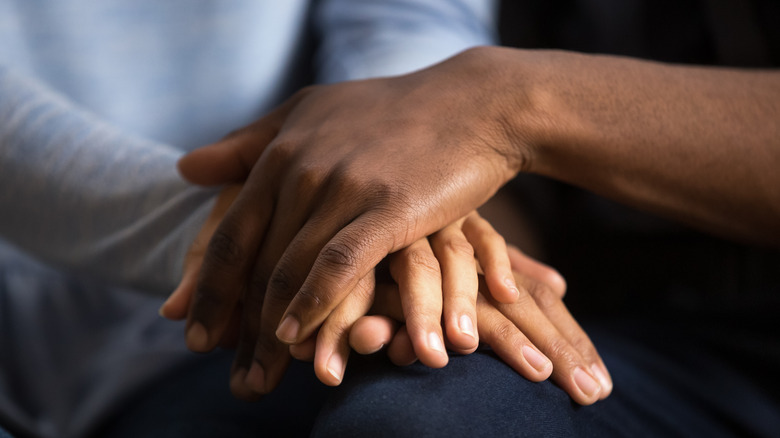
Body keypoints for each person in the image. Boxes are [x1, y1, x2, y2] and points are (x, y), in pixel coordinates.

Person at [177, 0, 780, 436]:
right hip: (580, 304)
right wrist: (422, 248)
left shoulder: (498, 94)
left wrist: (513, 102)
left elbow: (446, 103)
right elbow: (416, 102)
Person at [0, 1, 517, 437]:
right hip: (86, 321)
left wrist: (399, 183)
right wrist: (263, 237)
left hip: (295, 309)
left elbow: (409, 14)